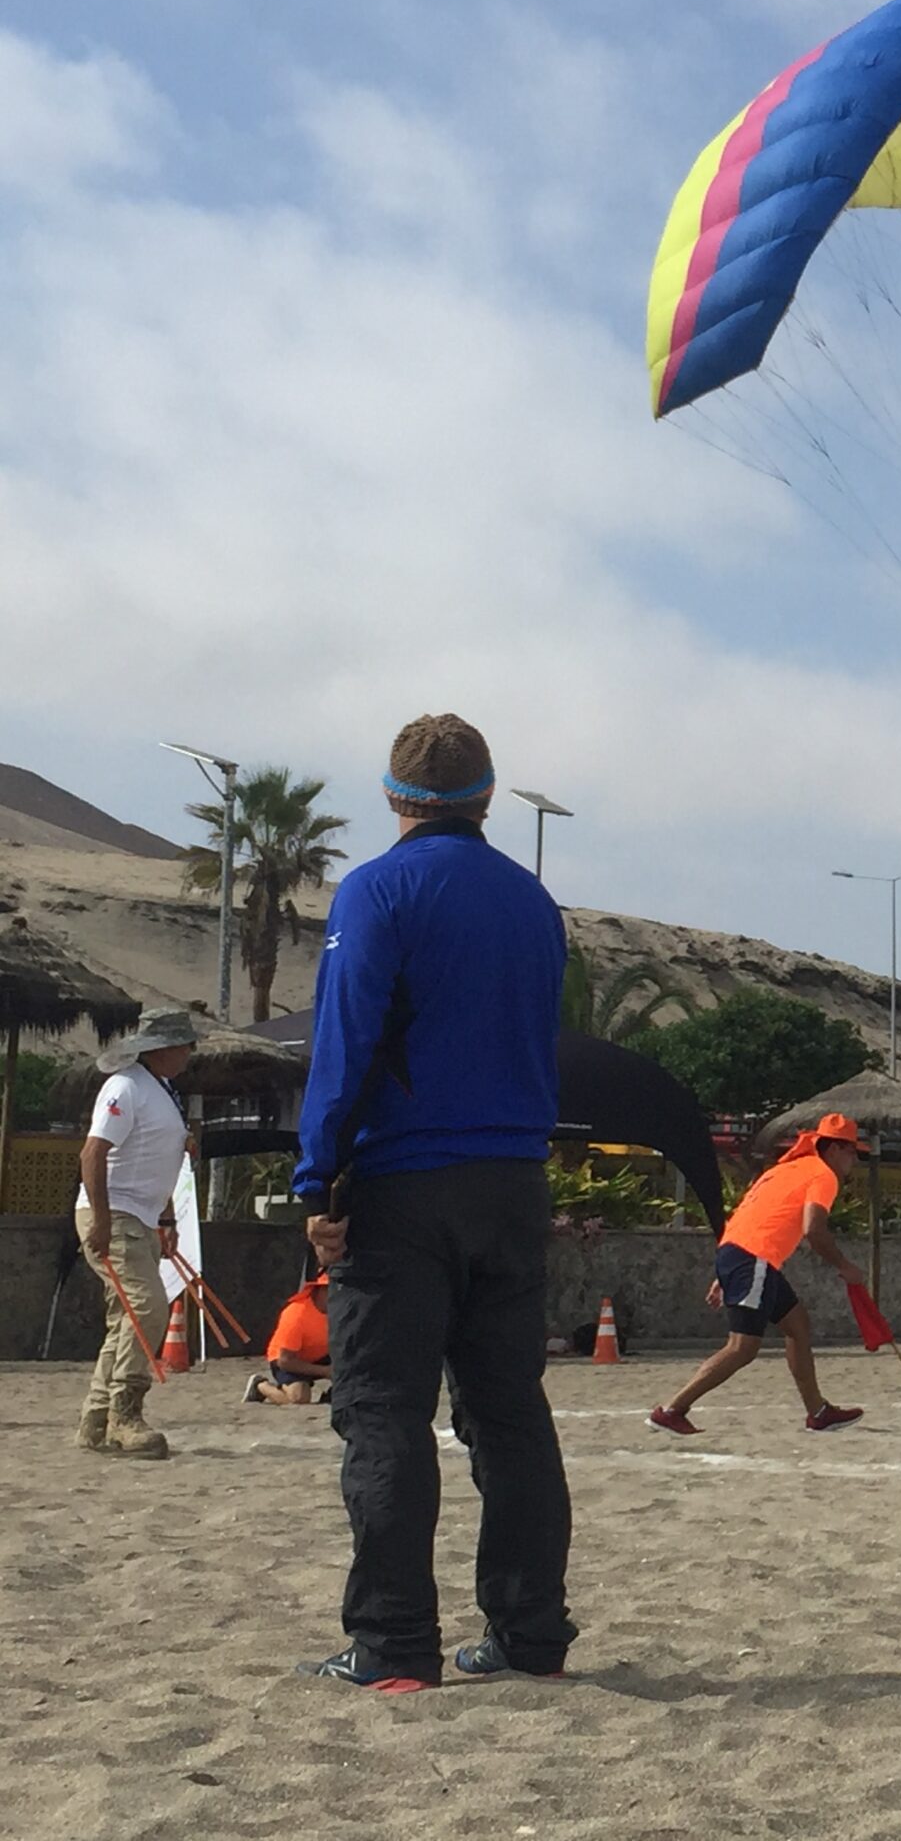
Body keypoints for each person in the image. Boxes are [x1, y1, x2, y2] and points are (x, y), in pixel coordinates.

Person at [292, 714, 573, 1693]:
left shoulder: (378, 890)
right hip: (512, 1183)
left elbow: (346, 1040)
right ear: (489, 795)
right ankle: (532, 1634)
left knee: (383, 1414)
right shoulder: (536, 904)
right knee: (508, 1416)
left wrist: (314, 1180)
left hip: (405, 1185)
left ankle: (394, 1644)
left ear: (392, 796)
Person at [649, 1113, 871, 1434]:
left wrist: (725, 1272)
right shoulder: (823, 1175)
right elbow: (814, 1230)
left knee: (797, 1325)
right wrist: (845, 1266)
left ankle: (818, 1412)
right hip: (753, 1259)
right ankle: (672, 1409)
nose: (855, 1159)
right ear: (834, 1149)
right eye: (852, 1152)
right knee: (742, 1347)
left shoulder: (786, 1169)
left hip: (742, 1255)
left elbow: (751, 1216)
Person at [73, 1007, 196, 1458]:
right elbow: (93, 1153)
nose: (189, 1051)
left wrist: (165, 1219)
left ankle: (96, 1418)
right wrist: (102, 1219)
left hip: (140, 1216)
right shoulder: (125, 1087)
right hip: (116, 1213)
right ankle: (125, 1414)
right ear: (162, 1047)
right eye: (184, 1043)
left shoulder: (163, 1092)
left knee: (125, 1318)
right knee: (147, 1308)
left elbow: (158, 1161)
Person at [250, 1273, 333, 1405]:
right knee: (299, 1398)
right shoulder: (297, 1313)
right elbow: (285, 1361)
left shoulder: (343, 1310)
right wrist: (325, 1371)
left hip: (320, 1354)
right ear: (319, 1290)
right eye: (331, 1288)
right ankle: (261, 1386)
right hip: (288, 1359)